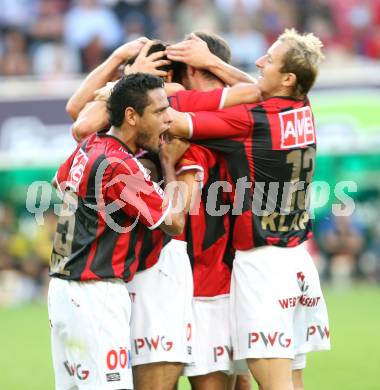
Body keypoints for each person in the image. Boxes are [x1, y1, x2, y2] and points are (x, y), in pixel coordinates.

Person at [166, 28, 331, 390]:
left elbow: (173, 123)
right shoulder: (302, 107)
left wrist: (149, 91)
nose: (258, 62)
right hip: (298, 259)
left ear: (287, 77)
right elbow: (258, 91)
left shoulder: (250, 121)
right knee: (292, 381)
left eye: (268, 60)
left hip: (264, 267)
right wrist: (211, 62)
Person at [48, 72, 187, 390]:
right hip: (96, 294)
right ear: (131, 116)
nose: (167, 119)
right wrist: (168, 164)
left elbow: (60, 182)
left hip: (63, 293)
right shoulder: (120, 165)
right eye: (159, 111)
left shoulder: (90, 146)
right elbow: (174, 221)